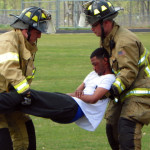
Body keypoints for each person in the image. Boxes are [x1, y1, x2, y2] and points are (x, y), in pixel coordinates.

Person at [79, 0, 150, 150]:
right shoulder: (108, 38)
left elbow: (128, 71)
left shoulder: (123, 42)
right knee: (112, 127)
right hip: (126, 90)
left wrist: (111, 90)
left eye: (93, 24)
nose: (91, 28)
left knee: (126, 129)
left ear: (106, 23)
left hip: (141, 91)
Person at [0, 47, 115, 132]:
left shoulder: (109, 78)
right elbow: (78, 91)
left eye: (95, 64)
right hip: (70, 102)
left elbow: (93, 99)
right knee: (24, 104)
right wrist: (73, 95)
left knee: (30, 95)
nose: (94, 68)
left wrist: (76, 95)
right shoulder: (93, 74)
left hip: (74, 108)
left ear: (105, 60)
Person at [0, 6, 55, 150]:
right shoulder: (8, 41)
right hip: (4, 99)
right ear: (26, 30)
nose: (40, 36)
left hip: (8, 98)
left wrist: (22, 94)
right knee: (3, 141)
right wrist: (25, 91)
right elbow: (9, 68)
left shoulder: (25, 45)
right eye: (38, 32)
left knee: (26, 134)